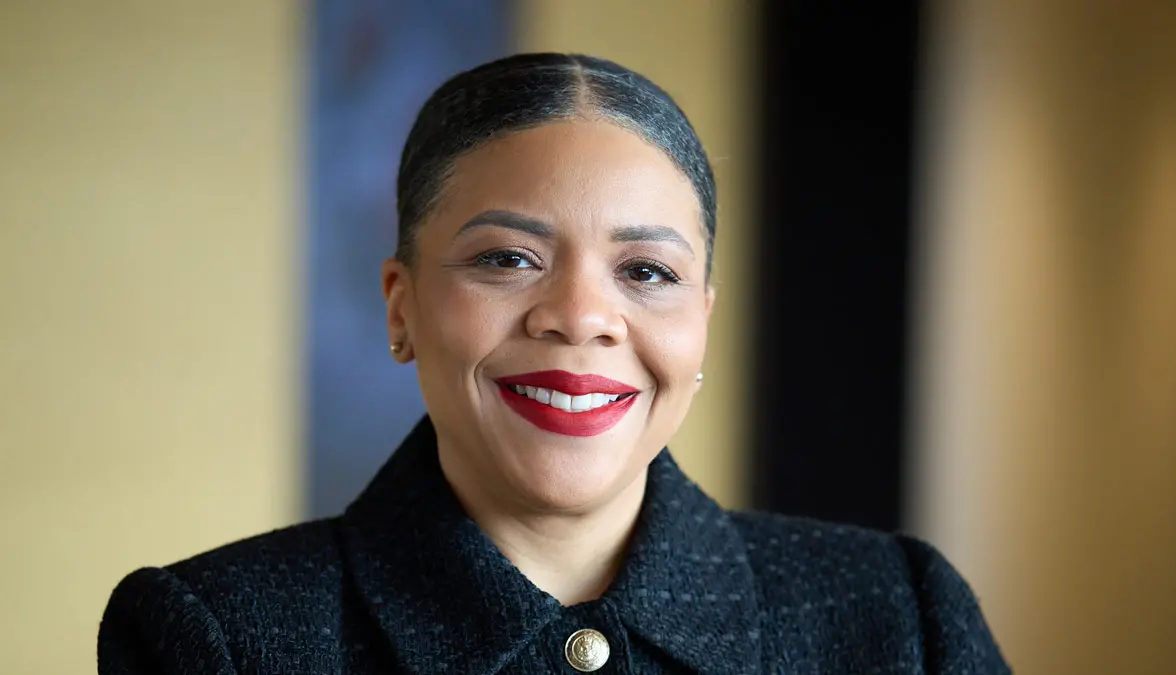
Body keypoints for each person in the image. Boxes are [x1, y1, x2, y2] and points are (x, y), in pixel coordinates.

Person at [98, 53, 1009, 674]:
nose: (579, 316)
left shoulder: (898, 616)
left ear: (702, 322)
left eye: (646, 271)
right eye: (507, 258)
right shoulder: (215, 635)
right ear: (401, 303)